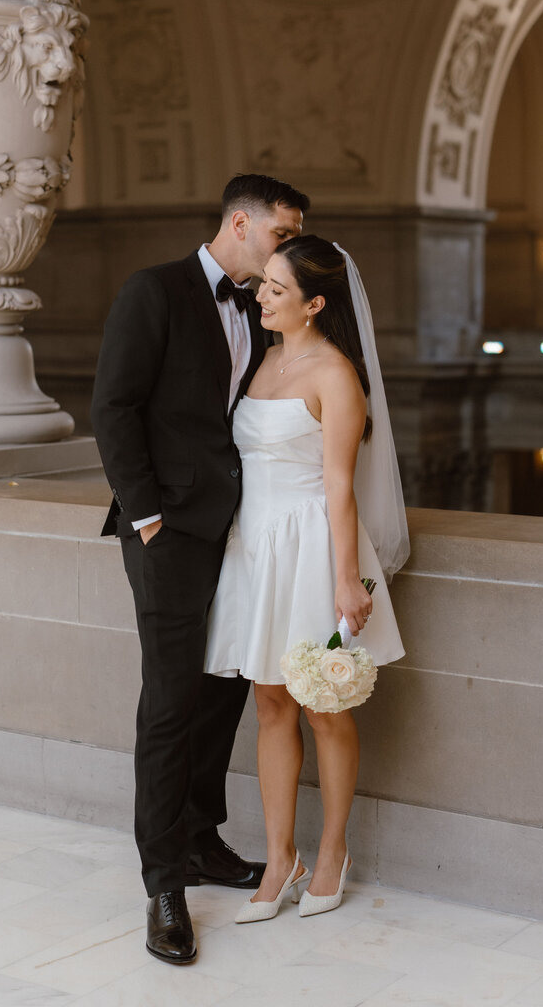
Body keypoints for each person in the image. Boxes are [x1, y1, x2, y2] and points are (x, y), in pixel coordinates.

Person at [91, 173, 308, 964]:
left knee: (223, 691)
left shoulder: (260, 307)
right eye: (283, 234)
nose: (289, 249)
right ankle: (162, 885)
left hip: (240, 531)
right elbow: (113, 407)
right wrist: (147, 515)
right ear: (241, 224)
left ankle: (199, 838)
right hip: (169, 532)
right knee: (172, 700)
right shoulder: (154, 291)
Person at [204, 234, 408, 922]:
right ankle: (280, 858)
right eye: (263, 282)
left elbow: (340, 487)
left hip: (312, 550)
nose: (260, 295)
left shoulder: (336, 374)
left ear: (315, 303)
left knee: (325, 708)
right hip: (254, 550)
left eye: (277, 288)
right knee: (270, 705)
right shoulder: (260, 361)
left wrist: (347, 581)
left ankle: (332, 852)